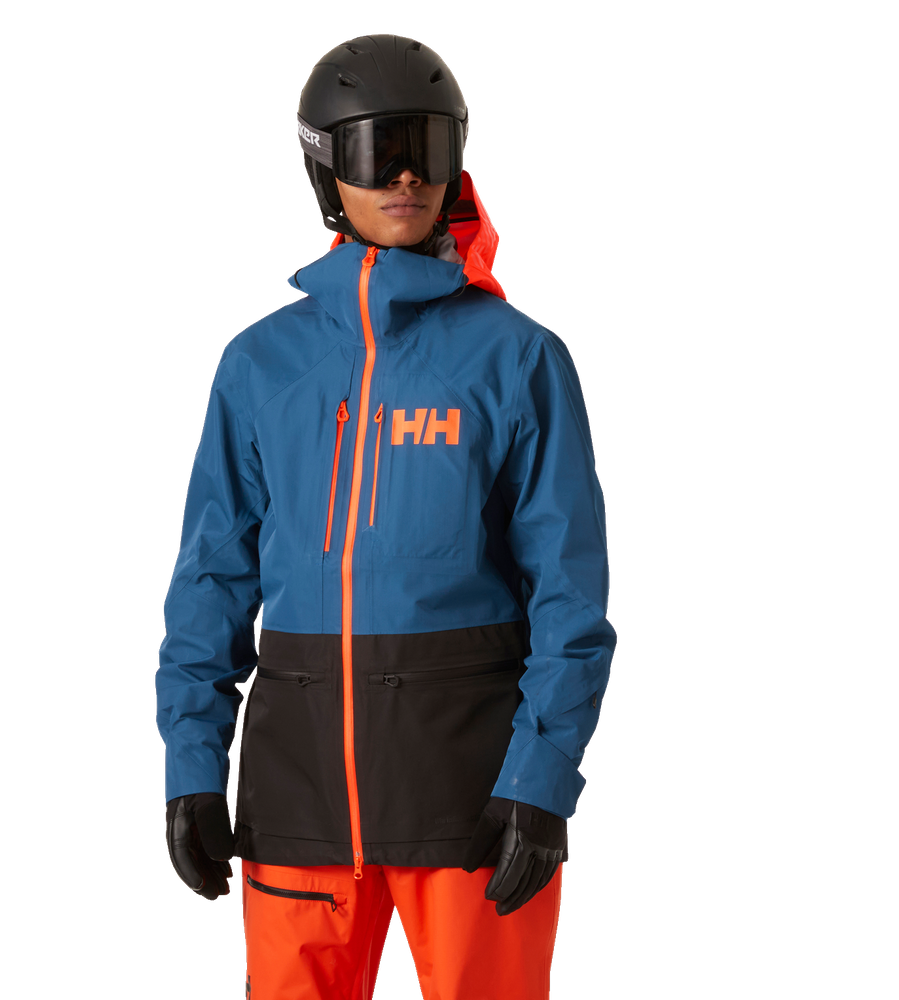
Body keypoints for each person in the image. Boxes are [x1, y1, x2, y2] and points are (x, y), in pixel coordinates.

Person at [157, 32, 617, 999]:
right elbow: (210, 582)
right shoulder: (259, 363)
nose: (406, 176)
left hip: (473, 798)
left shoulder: (520, 358)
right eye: (377, 150)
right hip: (295, 799)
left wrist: (542, 781)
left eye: (428, 148)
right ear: (325, 168)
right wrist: (191, 766)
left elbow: (572, 599)